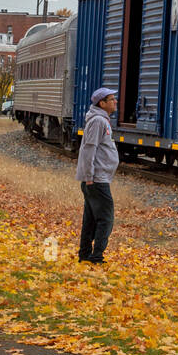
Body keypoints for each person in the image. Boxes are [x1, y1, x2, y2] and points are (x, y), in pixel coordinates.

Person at [75, 87, 119, 264]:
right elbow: (88, 149)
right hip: (96, 180)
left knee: (91, 219)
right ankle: (96, 257)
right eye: (112, 99)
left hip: (97, 178)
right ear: (102, 103)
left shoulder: (101, 120)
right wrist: (89, 176)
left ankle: (85, 255)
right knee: (106, 219)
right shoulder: (98, 121)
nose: (115, 102)